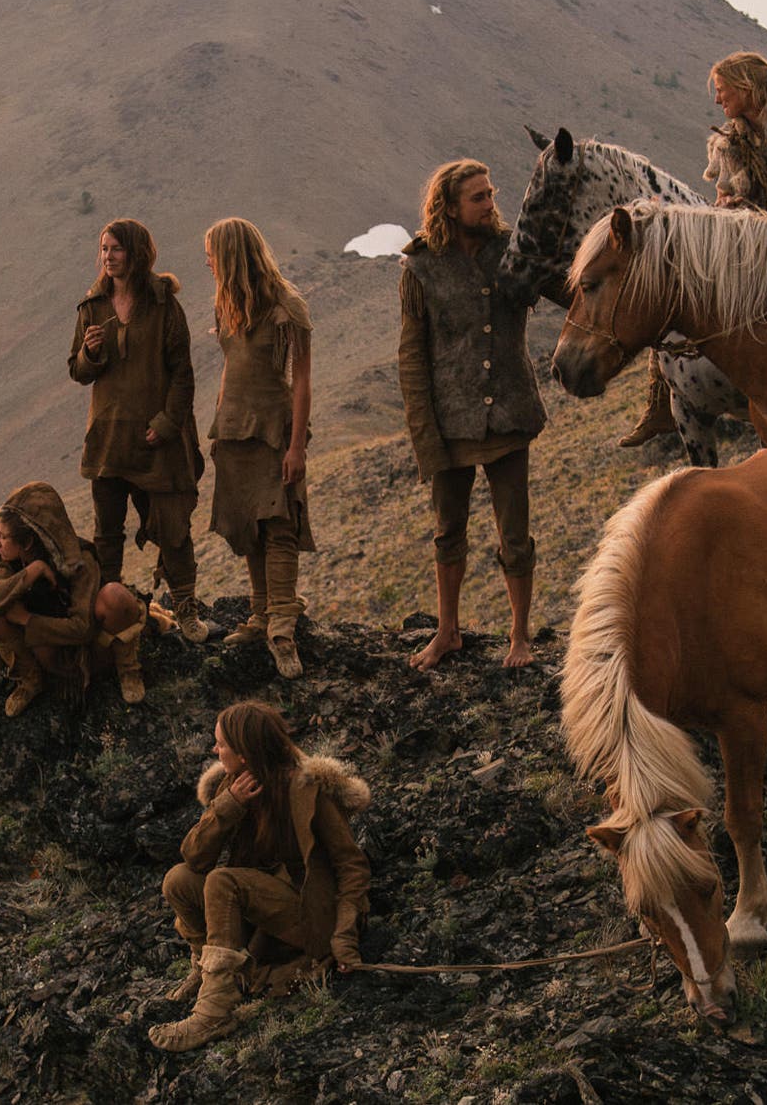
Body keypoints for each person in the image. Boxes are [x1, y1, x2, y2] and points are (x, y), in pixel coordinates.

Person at [620, 50, 767, 445]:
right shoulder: (729, 143)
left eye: (722, 90)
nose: (717, 100)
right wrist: (723, 209)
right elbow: (722, 198)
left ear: (747, 86)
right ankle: (662, 402)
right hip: (758, 255)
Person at [399, 160, 565, 670]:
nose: (490, 203)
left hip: (511, 414)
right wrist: (425, 437)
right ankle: (447, 632)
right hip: (450, 423)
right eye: (478, 197)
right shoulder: (421, 267)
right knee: (448, 531)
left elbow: (567, 288)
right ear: (449, 207)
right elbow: (412, 358)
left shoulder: (512, 250)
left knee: (515, 534)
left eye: (490, 194)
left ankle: (519, 637)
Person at [150, 701, 371, 1052]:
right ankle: (209, 971)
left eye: (220, 743)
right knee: (178, 880)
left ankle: (214, 1012)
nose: (214, 750)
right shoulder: (234, 785)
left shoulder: (306, 788)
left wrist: (344, 936)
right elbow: (192, 855)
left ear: (245, 752)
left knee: (222, 881)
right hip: (261, 911)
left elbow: (351, 866)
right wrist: (228, 806)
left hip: (307, 914)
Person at [69, 219, 212, 640]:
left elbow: (183, 374)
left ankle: (185, 610)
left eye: (115, 249)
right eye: (103, 249)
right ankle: (108, 617)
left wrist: (168, 424)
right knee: (107, 535)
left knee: (173, 529)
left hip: (157, 442)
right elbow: (77, 372)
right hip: (109, 440)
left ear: (136, 252)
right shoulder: (92, 307)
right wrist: (90, 353)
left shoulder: (164, 305)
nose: (107, 257)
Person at [201, 217, 315, 679]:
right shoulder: (226, 304)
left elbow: (303, 383)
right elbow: (230, 367)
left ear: (231, 254)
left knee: (280, 523)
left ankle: (283, 629)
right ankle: (262, 615)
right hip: (234, 430)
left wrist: (296, 447)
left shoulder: (287, 307)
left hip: (274, 429)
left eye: (211, 253)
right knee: (249, 524)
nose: (206, 262)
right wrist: (219, 419)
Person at [0, 481, 168, 714]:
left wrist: (27, 619)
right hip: (47, 655)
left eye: (3, 536)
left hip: (93, 653)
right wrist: (33, 571)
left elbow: (83, 628)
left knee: (116, 595)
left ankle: (128, 670)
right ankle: (30, 680)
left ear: (27, 541)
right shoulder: (6, 560)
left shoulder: (79, 561)